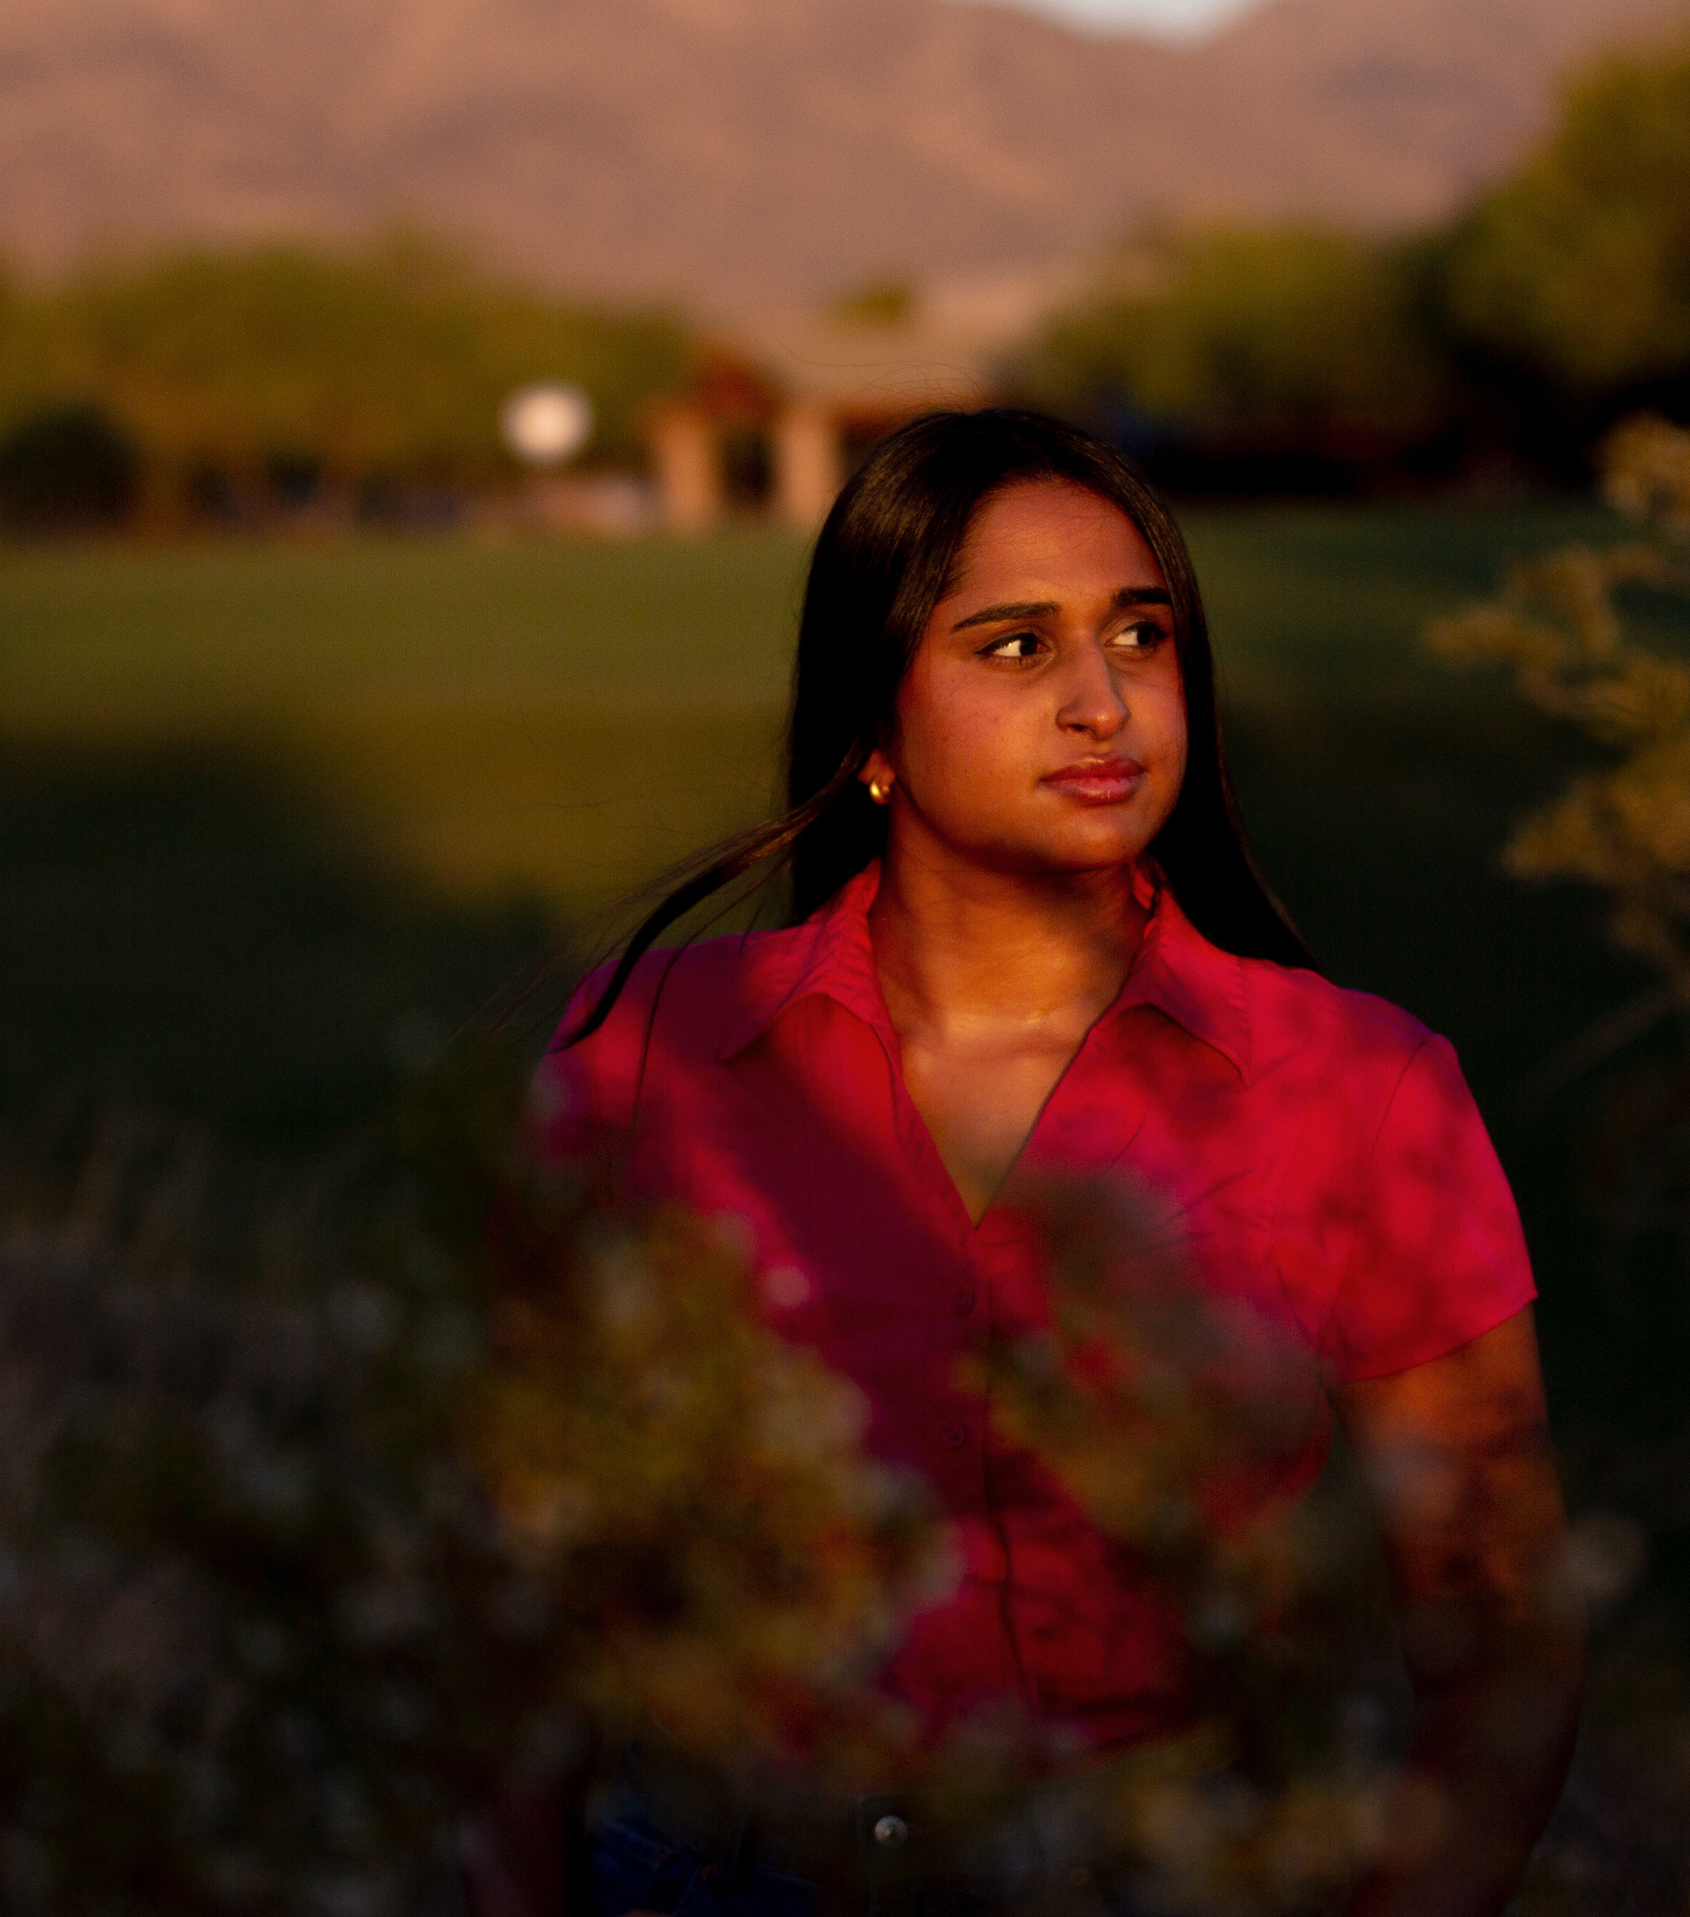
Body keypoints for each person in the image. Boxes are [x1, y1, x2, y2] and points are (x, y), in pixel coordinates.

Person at [501, 410, 1581, 1915]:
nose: (1100, 701)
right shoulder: (648, 1062)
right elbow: (509, 1583)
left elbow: (1502, 1627)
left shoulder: (1357, 1086)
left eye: (1137, 637)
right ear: (872, 728)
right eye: (1014, 648)